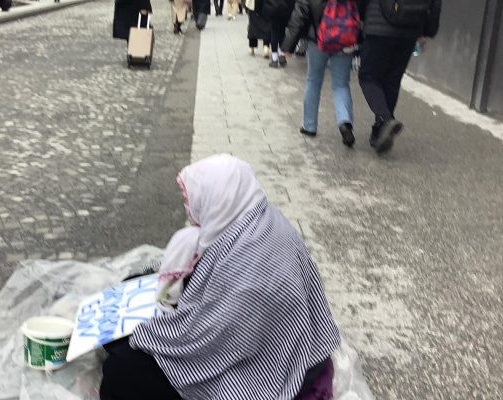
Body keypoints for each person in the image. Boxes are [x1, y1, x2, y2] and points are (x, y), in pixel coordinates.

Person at [100, 154, 341, 400]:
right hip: (269, 342)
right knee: (126, 314)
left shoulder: (249, 265)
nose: (188, 207)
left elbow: (208, 344)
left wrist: (148, 335)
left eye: (190, 199)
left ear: (218, 198)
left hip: (271, 370)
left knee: (120, 370)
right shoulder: (255, 218)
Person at [357, 0, 441, 153]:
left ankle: (385, 120)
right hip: (409, 31)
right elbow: (435, 5)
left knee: (368, 77)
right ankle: (379, 133)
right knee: (392, 81)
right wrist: (427, 31)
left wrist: (361, 16)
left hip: (379, 26)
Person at [281, 0, 360, 146]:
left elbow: (300, 14)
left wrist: (289, 45)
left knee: (313, 81)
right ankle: (345, 122)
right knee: (341, 84)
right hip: (345, 37)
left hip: (317, 39)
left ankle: (309, 126)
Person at [262, 0, 294, 67]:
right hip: (285, 9)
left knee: (274, 33)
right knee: (282, 33)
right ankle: (282, 55)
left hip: (272, 9)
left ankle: (275, 59)